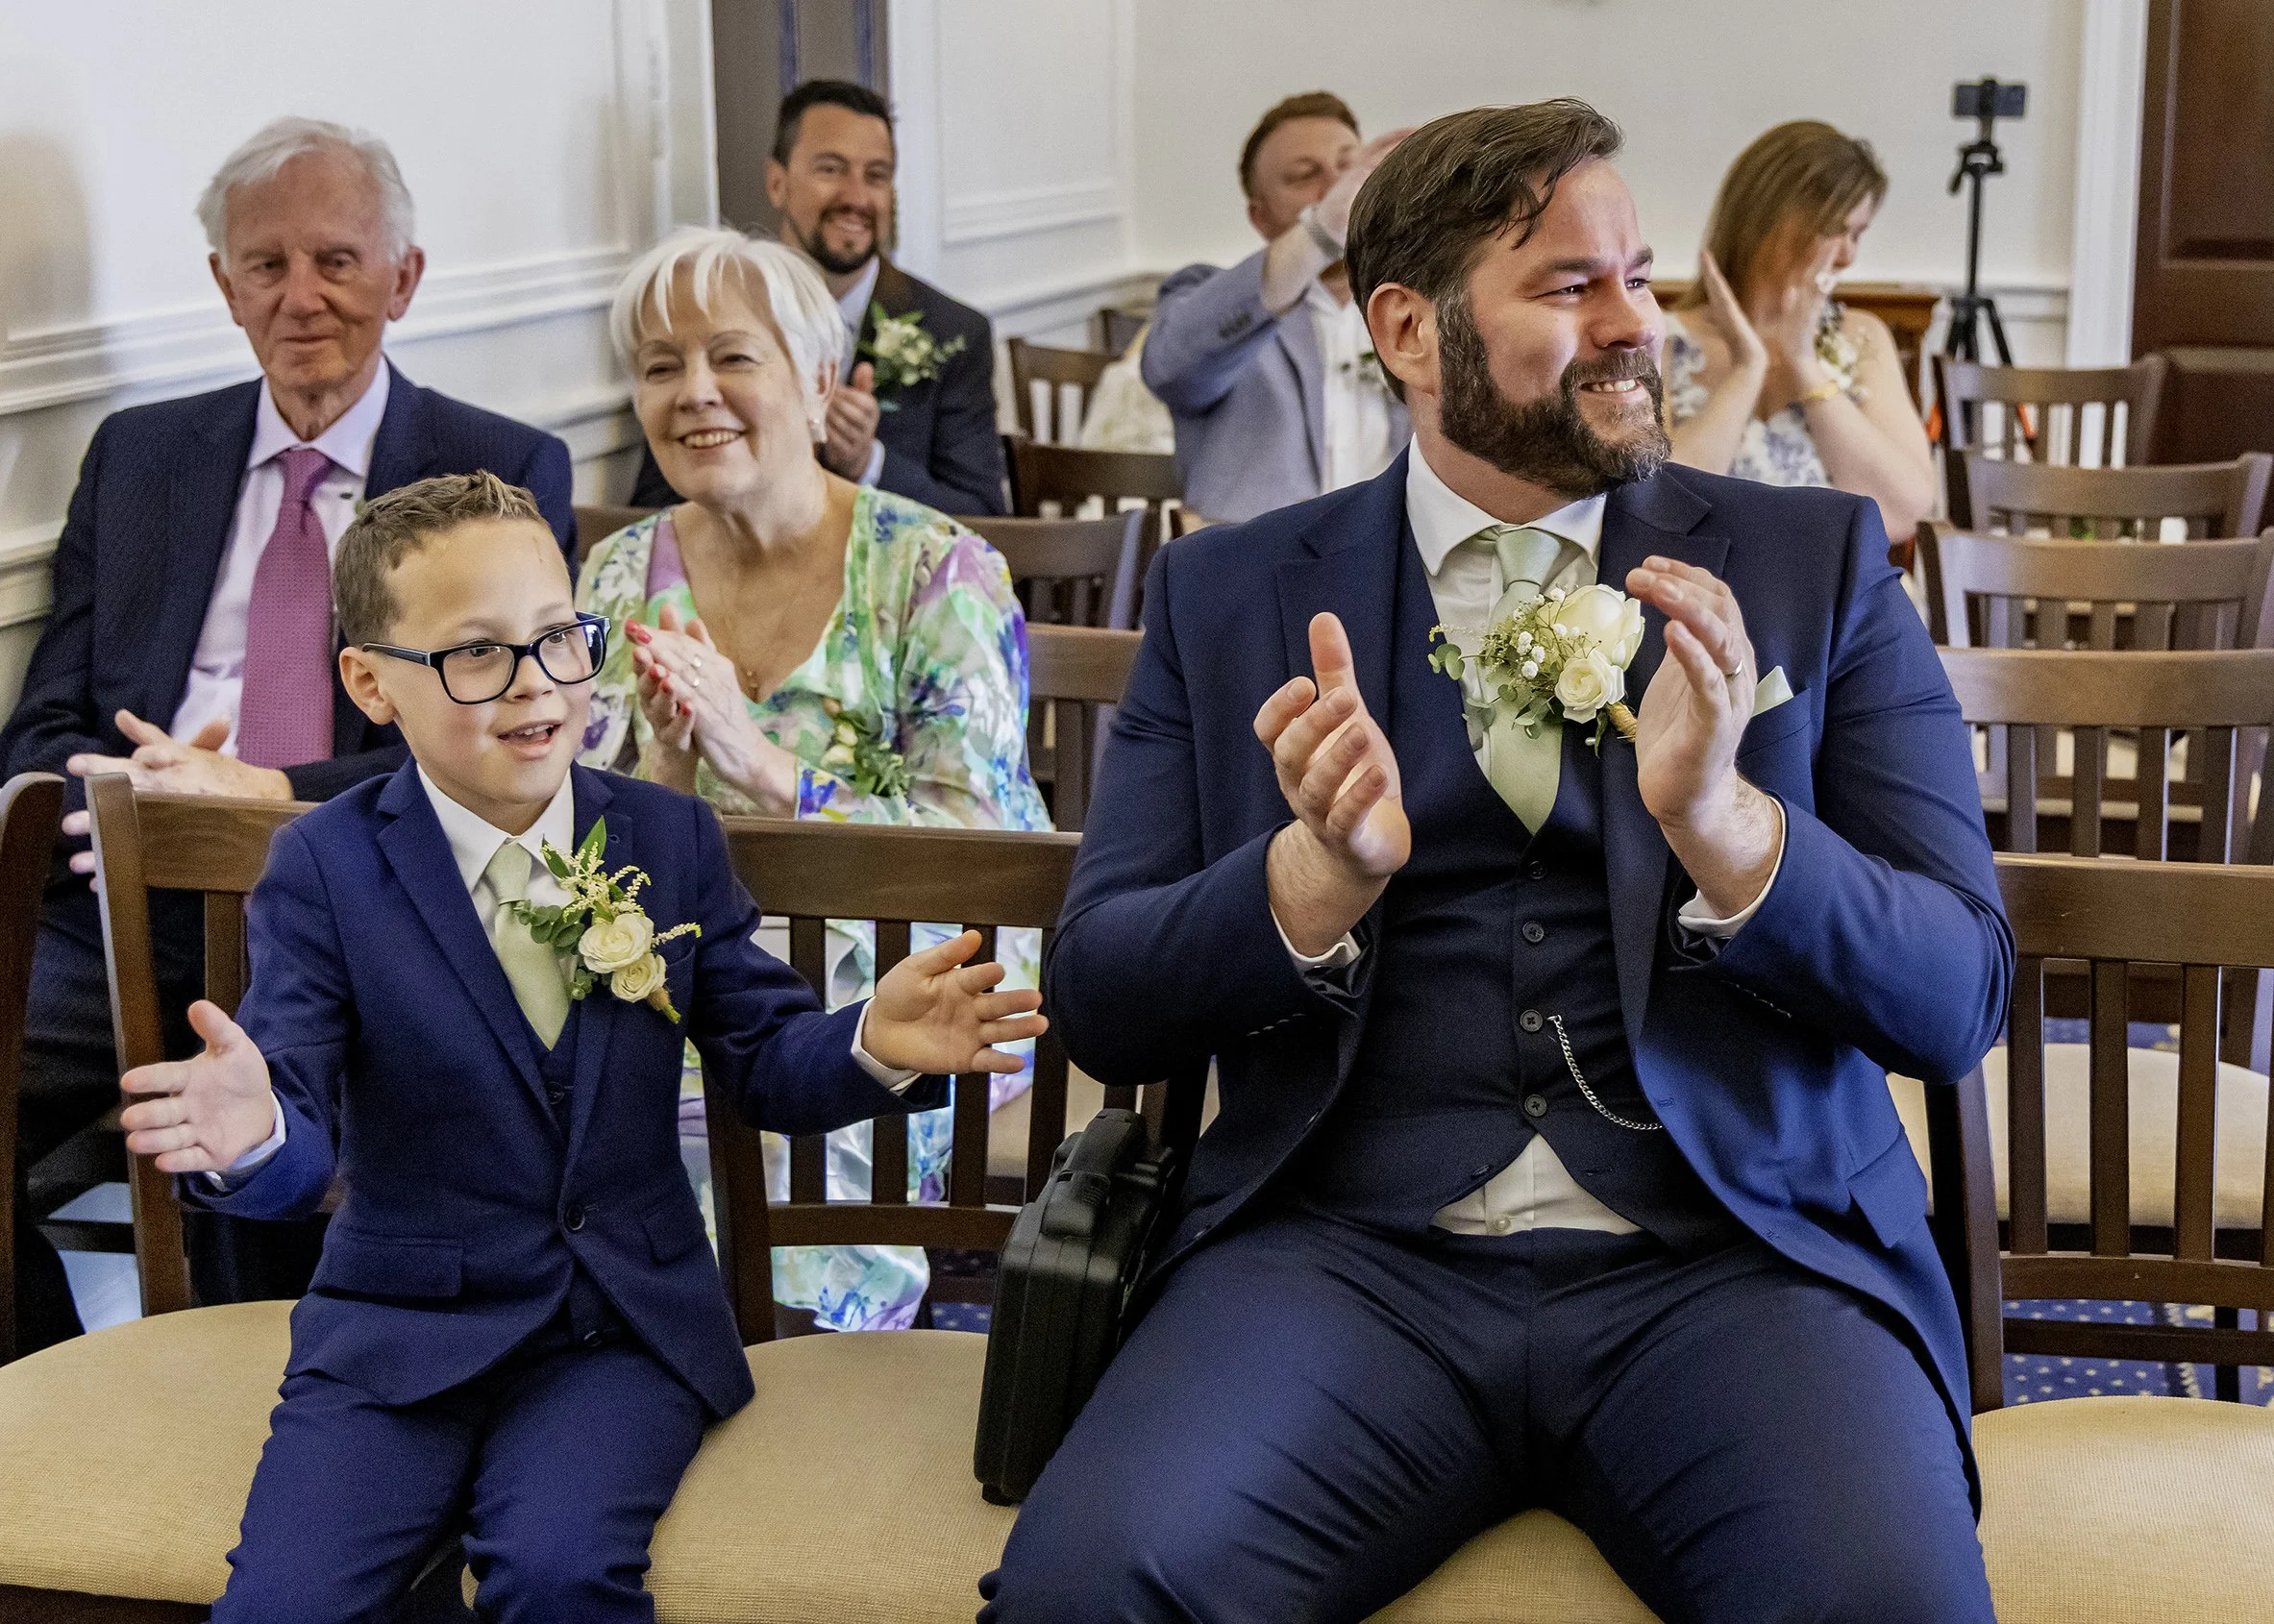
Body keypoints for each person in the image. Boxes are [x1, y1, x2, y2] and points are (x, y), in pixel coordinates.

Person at [985, 101, 2010, 1623]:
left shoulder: (1812, 564)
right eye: (1568, 286)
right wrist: (1305, 887)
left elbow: (1957, 992)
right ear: (1405, 328)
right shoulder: (1228, 595)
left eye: (1638, 278)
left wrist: (1732, 834)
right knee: (1082, 1594)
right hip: (1342, 1259)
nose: (1631, 326)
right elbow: (1105, 997)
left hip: (1735, 1261)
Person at [121, 470, 1043, 1619]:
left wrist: (869, 1040)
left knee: (557, 1572)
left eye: (559, 638)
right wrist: (255, 1134)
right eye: (475, 654)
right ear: (370, 683)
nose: (535, 686)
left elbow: (763, 1060)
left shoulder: (664, 833)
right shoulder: (325, 868)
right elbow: (296, 1113)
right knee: (285, 1603)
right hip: (398, 1336)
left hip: (613, 1330)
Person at [0, 116, 575, 1349]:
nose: (300, 297)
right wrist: (113, 788)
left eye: (336, 260)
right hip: (124, 910)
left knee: (280, 1164)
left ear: (403, 279)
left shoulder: (497, 470)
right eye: (265, 265)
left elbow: (497, 744)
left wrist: (261, 786)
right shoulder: (140, 456)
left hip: (367, 905)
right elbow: (44, 716)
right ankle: (48, 1434)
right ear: (224, 286)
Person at [581, 227, 1050, 1331]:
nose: (694, 394)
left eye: (732, 357)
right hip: (677, 968)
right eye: (659, 367)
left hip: (902, 980)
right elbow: (576, 835)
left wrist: (759, 763)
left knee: (768, 1115)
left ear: (819, 379)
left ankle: (789, 1394)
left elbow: (982, 854)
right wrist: (667, 766)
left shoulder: (937, 568)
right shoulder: (613, 572)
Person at [629, 81, 1005, 517]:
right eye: (831, 169)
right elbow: (653, 510)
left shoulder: (952, 332)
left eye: (877, 176)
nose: (857, 197)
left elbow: (986, 522)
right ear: (777, 183)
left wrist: (869, 463)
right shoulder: (705, 314)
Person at [1142, 92, 1413, 522]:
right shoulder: (1213, 297)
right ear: (1260, 216)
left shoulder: (1420, 305)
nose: (1339, 191)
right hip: (1256, 571)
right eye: (1305, 176)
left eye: (1349, 169)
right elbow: (1170, 369)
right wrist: (1320, 232)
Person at [1661, 120, 1936, 538]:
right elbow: (1661, 510)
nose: (1847, 257)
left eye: (1857, 235)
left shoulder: (1862, 337)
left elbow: (1905, 512)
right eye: (1835, 230)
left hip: (1838, 592)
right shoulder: (1661, 343)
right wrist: (1747, 370)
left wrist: (1805, 363)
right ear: (1769, 220)